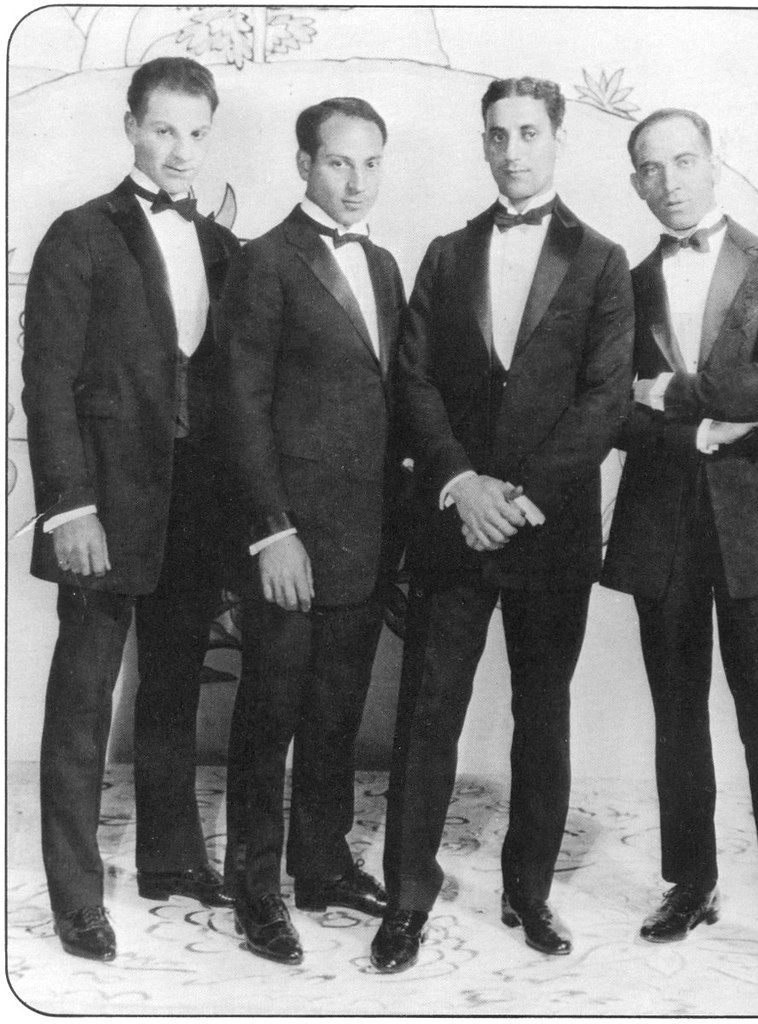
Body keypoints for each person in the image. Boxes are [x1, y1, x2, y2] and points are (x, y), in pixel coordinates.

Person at [370, 76, 634, 973]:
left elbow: (603, 400)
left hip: (548, 531)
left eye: (527, 133)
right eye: (496, 135)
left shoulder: (602, 261)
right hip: (454, 525)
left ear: (557, 138)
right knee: (427, 714)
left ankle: (529, 892)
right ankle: (405, 898)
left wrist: (517, 495)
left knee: (542, 714)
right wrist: (461, 485)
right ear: (481, 144)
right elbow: (413, 381)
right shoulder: (445, 254)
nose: (511, 151)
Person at [601, 108, 758, 993]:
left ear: (714, 164)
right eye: (650, 168)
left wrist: (671, 388)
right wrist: (702, 425)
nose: (668, 180)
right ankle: (690, 885)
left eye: (683, 161)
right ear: (634, 182)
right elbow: (610, 413)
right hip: (663, 519)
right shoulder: (621, 284)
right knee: (676, 715)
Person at [21, 57, 240, 961]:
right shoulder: (80, 234)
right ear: (131, 128)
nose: (180, 150)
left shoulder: (225, 247)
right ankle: (76, 894)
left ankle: (170, 859)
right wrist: (68, 509)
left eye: (195, 132)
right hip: (105, 507)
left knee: (175, 684)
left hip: (194, 506)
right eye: (163, 130)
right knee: (83, 699)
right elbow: (48, 384)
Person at [220, 97, 406, 965]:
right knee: (270, 717)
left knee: (334, 714)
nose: (355, 180)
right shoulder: (264, 261)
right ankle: (254, 890)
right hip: (290, 543)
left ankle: (321, 866)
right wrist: (271, 532)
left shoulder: (388, 265)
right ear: (304, 164)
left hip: (364, 539)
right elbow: (240, 409)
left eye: (370, 163)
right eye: (338, 162)